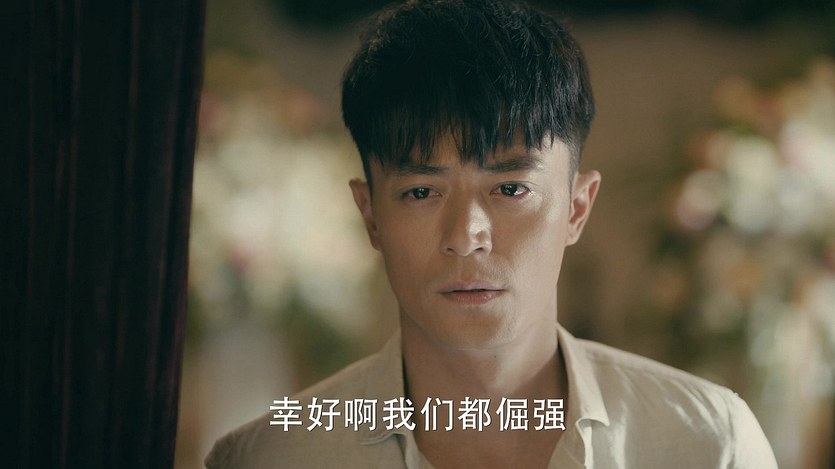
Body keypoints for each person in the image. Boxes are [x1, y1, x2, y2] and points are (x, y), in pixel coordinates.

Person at [205, 0, 778, 467]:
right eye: (420, 192)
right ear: (370, 214)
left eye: (509, 188)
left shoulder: (705, 443)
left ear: (577, 208)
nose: (466, 235)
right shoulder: (273, 457)